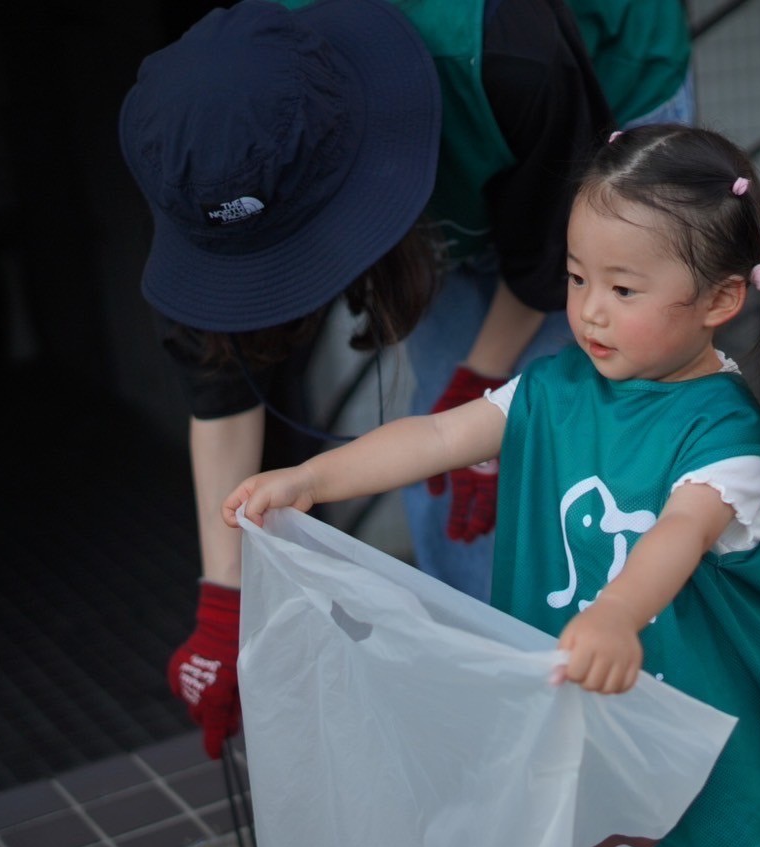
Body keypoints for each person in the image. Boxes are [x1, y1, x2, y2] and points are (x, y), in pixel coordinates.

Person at [224, 123, 760, 847]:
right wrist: (314, 477)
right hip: (578, 697)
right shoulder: (553, 389)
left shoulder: (724, 433)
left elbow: (679, 532)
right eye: (578, 277)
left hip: (700, 704)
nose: (589, 311)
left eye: (623, 289)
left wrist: (618, 613)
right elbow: (440, 436)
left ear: (719, 299)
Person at [120, 0, 693, 760]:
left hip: (597, 87)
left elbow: (548, 257)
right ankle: (512, 733)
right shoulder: (198, 152)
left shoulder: (504, 54)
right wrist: (224, 600)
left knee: (589, 457)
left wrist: (484, 380)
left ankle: (647, 729)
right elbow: (220, 377)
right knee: (454, 485)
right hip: (459, 135)